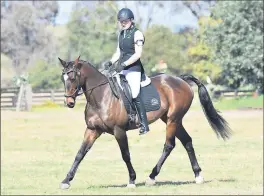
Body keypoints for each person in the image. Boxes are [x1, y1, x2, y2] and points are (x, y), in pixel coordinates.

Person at [105, 8, 149, 135]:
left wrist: (124, 64)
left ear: (131, 20)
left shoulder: (138, 34)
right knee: (113, 87)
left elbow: (138, 54)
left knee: (134, 93)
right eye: (121, 21)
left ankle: (144, 124)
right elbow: (119, 52)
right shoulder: (121, 34)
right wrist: (111, 62)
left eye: (125, 21)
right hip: (122, 68)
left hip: (134, 69)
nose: (123, 23)